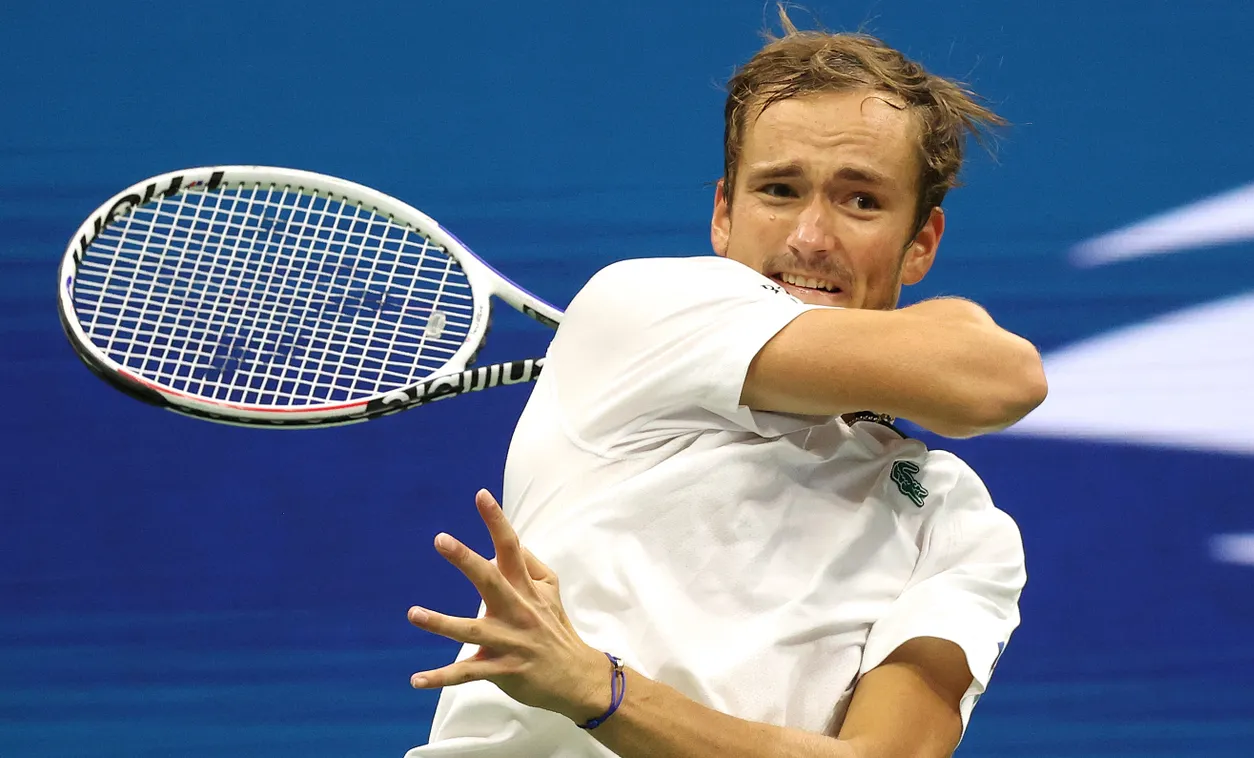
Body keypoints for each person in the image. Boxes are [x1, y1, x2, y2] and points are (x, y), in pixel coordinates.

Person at [403, 8, 1046, 758]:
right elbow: (983, 372)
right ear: (722, 214)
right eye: (777, 190)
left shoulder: (956, 523)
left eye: (860, 200)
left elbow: (1001, 378)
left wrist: (600, 690)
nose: (809, 236)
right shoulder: (642, 309)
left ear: (920, 242)